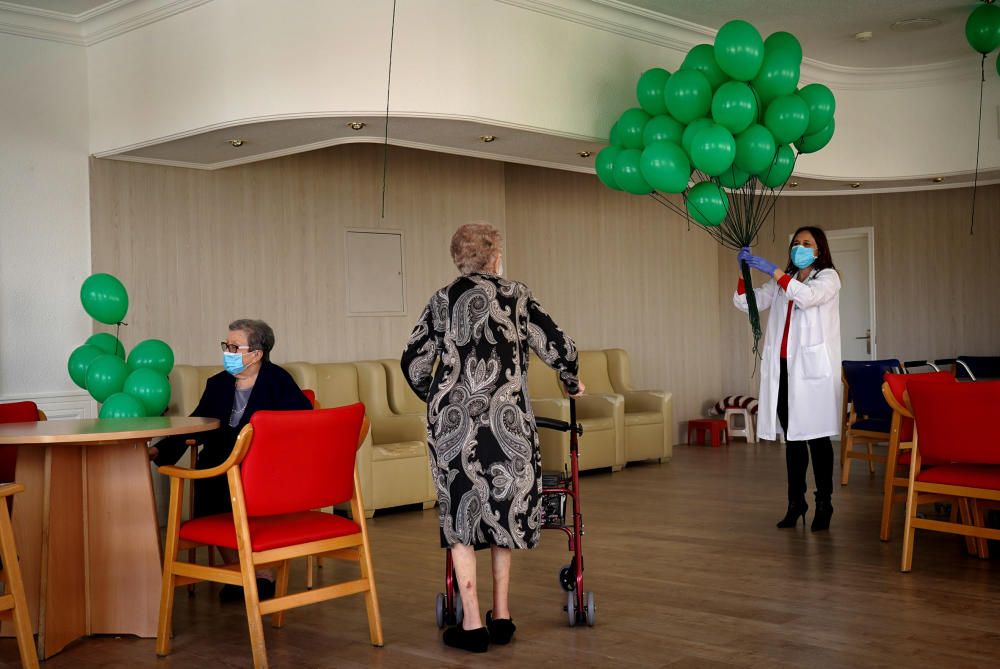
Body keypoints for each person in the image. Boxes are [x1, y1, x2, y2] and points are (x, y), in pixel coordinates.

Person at [401, 222, 584, 653]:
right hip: (508, 418)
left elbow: (413, 362)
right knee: (503, 509)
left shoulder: (441, 300)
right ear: (495, 257)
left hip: (453, 423)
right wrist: (570, 377)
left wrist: (440, 397)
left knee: (461, 517)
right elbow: (560, 346)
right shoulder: (517, 296)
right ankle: (501, 616)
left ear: (457, 258)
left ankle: (471, 624)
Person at [151, 318, 312, 600]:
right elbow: (199, 423)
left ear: (257, 354)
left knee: (240, 488)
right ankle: (239, 568)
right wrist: (159, 451)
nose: (228, 352)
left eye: (235, 347)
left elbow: (301, 423)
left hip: (265, 467)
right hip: (219, 464)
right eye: (226, 345)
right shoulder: (218, 384)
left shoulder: (278, 381)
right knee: (211, 477)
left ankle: (262, 574)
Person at [734, 227, 842, 532]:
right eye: (796, 243)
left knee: (818, 439)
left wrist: (777, 271)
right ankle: (796, 502)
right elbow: (747, 304)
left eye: (807, 243)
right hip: (784, 371)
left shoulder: (828, 278)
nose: (800, 247)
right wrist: (744, 272)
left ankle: (824, 503)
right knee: (793, 440)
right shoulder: (782, 282)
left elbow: (807, 298)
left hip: (813, 374)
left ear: (819, 249)